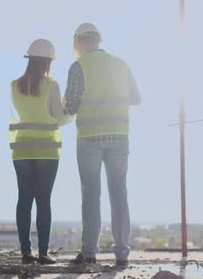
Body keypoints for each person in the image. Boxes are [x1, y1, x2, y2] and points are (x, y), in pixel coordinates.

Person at [65, 23, 141, 267]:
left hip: (89, 137)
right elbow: (136, 98)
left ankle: (89, 252)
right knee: (119, 193)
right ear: (98, 40)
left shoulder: (79, 66)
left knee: (91, 195)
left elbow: (71, 107)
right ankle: (121, 254)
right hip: (119, 136)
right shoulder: (121, 64)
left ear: (78, 42)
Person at [10, 39, 72, 265]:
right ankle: (43, 253)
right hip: (47, 149)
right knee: (43, 200)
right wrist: (69, 112)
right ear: (48, 61)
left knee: (24, 199)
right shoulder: (51, 85)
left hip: (22, 149)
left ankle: (26, 253)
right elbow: (59, 117)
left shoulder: (14, 85)